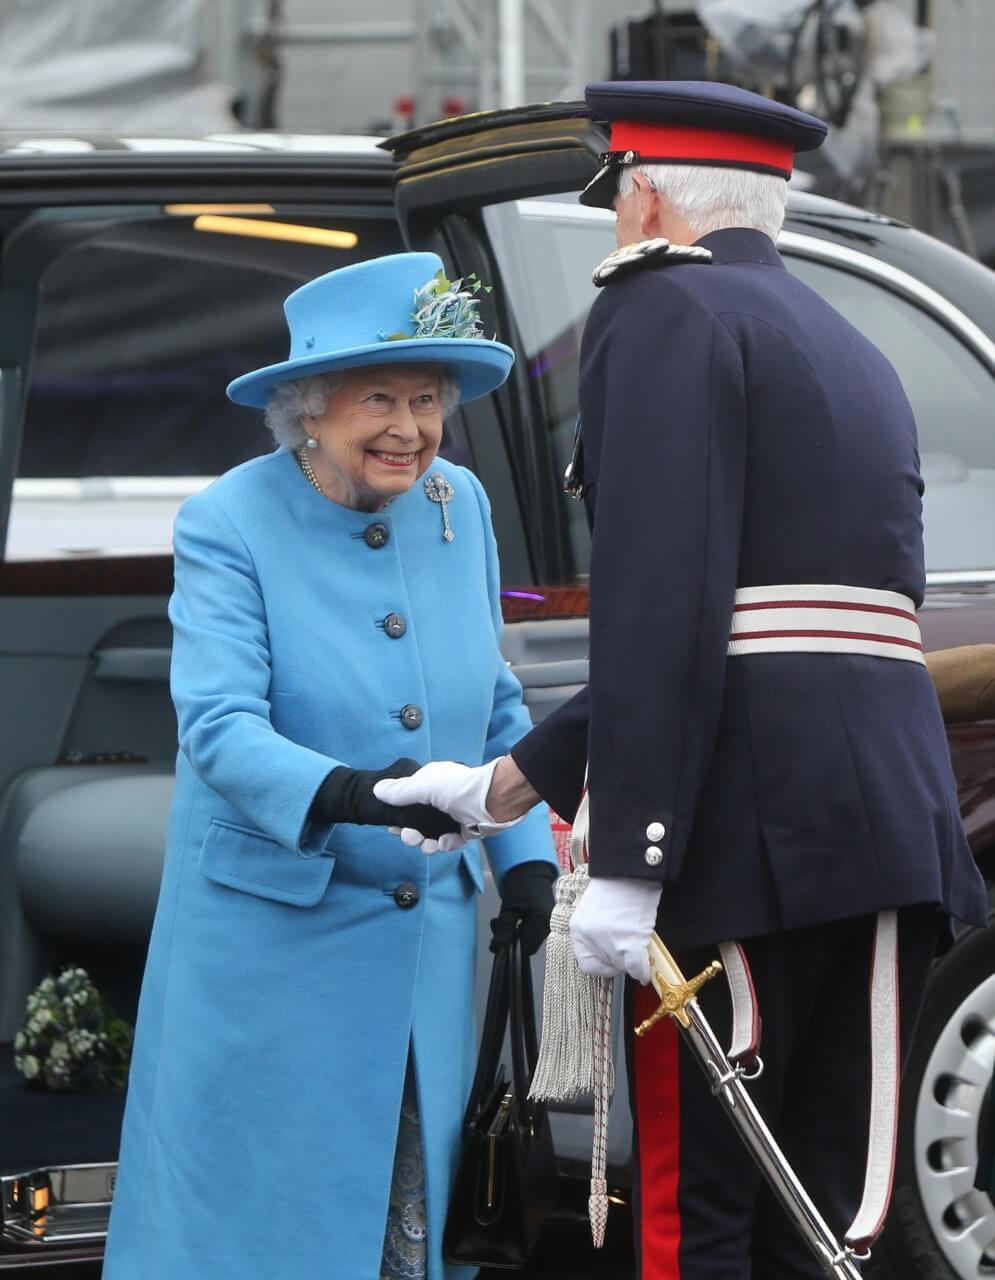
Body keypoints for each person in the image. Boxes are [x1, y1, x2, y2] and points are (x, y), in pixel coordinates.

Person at [374, 83, 989, 1279]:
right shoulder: (851, 346)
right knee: (824, 1211)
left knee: (696, 1220)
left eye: (612, 200)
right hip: (880, 830)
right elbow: (781, 628)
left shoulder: (660, 310)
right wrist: (508, 782)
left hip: (738, 842)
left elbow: (666, 605)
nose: (613, 225)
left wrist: (631, 855)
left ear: (646, 196)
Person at [101, 252, 558, 1280]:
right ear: (308, 409)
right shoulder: (226, 521)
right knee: (259, 1229)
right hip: (272, 950)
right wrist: (355, 793)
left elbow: (491, 703)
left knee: (405, 1216)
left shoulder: (460, 505)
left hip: (423, 952)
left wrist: (523, 859)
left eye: (429, 399)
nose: (410, 427)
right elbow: (217, 726)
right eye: (381, 398)